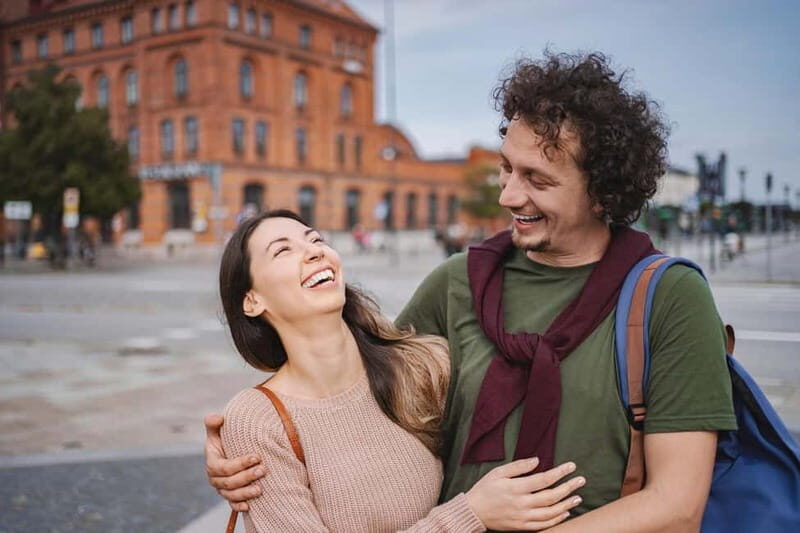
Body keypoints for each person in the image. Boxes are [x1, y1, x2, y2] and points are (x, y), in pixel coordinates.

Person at [206, 51, 736, 531]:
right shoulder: (458, 281)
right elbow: (357, 401)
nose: (508, 194)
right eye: (507, 167)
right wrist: (251, 453)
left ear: (602, 189)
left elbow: (676, 507)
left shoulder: (668, 297)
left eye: (537, 179)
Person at [214, 209, 584, 532]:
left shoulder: (417, 367)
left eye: (316, 240)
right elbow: (467, 510)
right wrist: (471, 513)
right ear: (251, 300)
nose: (314, 251)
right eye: (283, 250)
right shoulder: (257, 421)